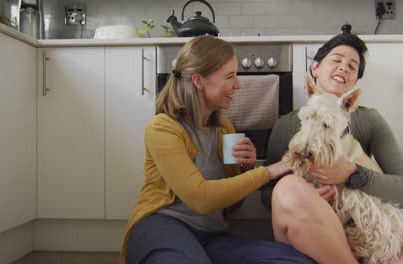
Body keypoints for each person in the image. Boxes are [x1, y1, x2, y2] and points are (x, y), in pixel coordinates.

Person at [262, 33, 403, 263]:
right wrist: (310, 200)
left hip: (368, 238)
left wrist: (352, 173)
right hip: (314, 236)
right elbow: (269, 193)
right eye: (336, 60)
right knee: (289, 188)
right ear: (315, 68)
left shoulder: (370, 120)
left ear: (353, 90)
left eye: (352, 67)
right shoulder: (286, 124)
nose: (344, 68)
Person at [120, 35, 316, 264]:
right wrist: (268, 171)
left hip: (212, 236)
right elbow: (200, 198)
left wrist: (246, 168)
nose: (238, 84)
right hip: (162, 225)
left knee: (298, 261)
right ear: (198, 80)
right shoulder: (163, 127)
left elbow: (232, 206)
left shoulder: (225, 129)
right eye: (230, 76)